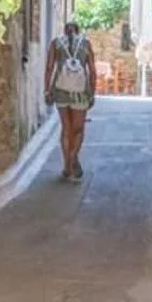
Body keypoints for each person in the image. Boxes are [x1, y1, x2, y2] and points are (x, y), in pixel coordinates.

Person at [45, 19, 96, 182]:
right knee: (78, 129)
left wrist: (47, 90)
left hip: (60, 91)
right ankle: (74, 156)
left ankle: (67, 166)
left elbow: (49, 67)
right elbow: (92, 70)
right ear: (78, 30)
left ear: (64, 30)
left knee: (66, 128)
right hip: (80, 92)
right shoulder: (86, 43)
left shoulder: (56, 43)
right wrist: (92, 92)